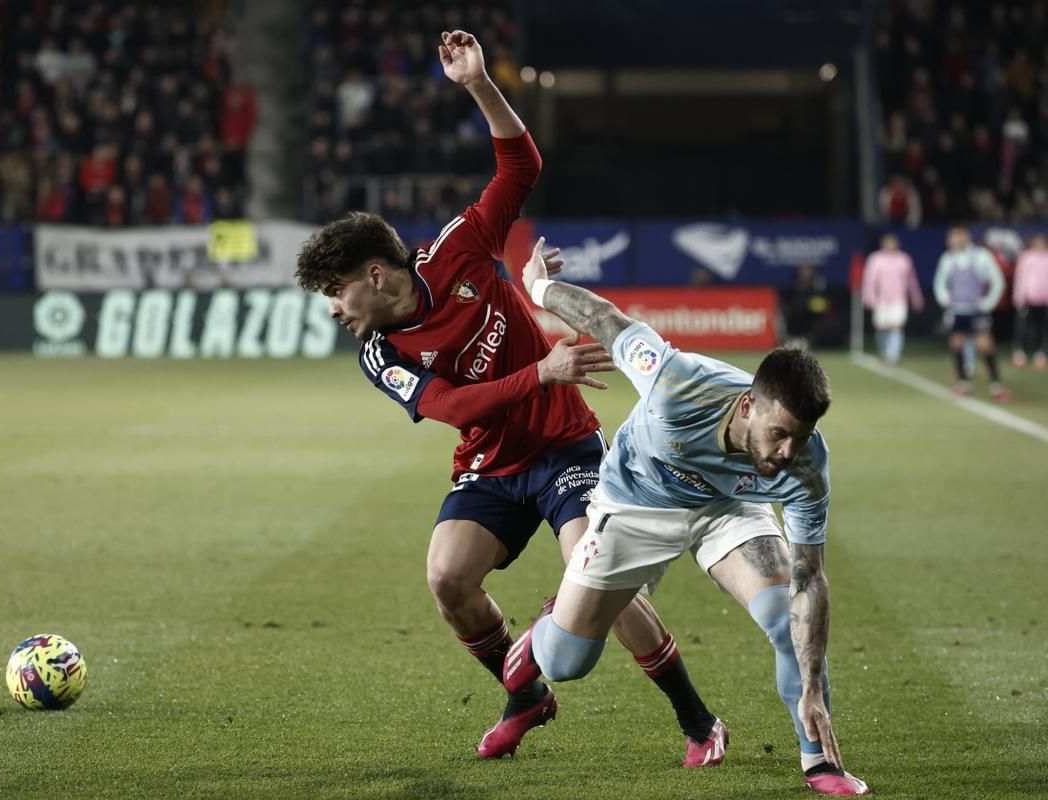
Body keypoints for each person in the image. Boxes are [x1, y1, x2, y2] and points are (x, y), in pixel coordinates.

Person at [294, 30, 726, 764]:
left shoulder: (461, 246)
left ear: (374, 273)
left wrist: (477, 86)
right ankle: (526, 693)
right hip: (490, 463)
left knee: (597, 572)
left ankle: (697, 721)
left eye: (334, 292)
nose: (333, 308)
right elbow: (456, 410)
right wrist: (540, 371)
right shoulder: (380, 351)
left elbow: (520, 164)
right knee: (447, 578)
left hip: (564, 446)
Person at [502, 239, 871, 797]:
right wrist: (536, 287)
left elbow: (808, 580)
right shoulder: (677, 384)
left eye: (800, 438)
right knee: (566, 663)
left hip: (729, 510)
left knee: (784, 622)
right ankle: (543, 634)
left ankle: (820, 763)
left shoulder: (805, 466)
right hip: (634, 504)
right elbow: (605, 319)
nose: (785, 453)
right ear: (748, 405)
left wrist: (814, 685)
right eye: (778, 434)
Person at [932, 225, 1009, 400]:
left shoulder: (981, 256)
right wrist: (944, 299)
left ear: (965, 238)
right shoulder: (948, 259)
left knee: (985, 346)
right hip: (957, 310)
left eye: (955, 238)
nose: (951, 241)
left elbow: (997, 281)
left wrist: (987, 302)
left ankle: (996, 385)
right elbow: (940, 283)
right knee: (957, 344)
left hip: (976, 310)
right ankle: (962, 383)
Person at [862, 233, 924, 364]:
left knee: (897, 326)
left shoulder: (904, 259)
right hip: (881, 300)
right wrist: (869, 297)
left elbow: (911, 281)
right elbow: (869, 280)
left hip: (899, 299)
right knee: (882, 327)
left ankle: (893, 355)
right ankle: (884, 350)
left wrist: (916, 297)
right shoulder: (875, 259)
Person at [1012, 233, 1048, 370]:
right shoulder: (1026, 258)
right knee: (1022, 327)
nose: (1040, 245)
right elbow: (1020, 278)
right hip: (1027, 299)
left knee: (1043, 328)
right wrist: (1019, 297)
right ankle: (1019, 352)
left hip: (1044, 301)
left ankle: (1042, 353)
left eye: (1042, 242)